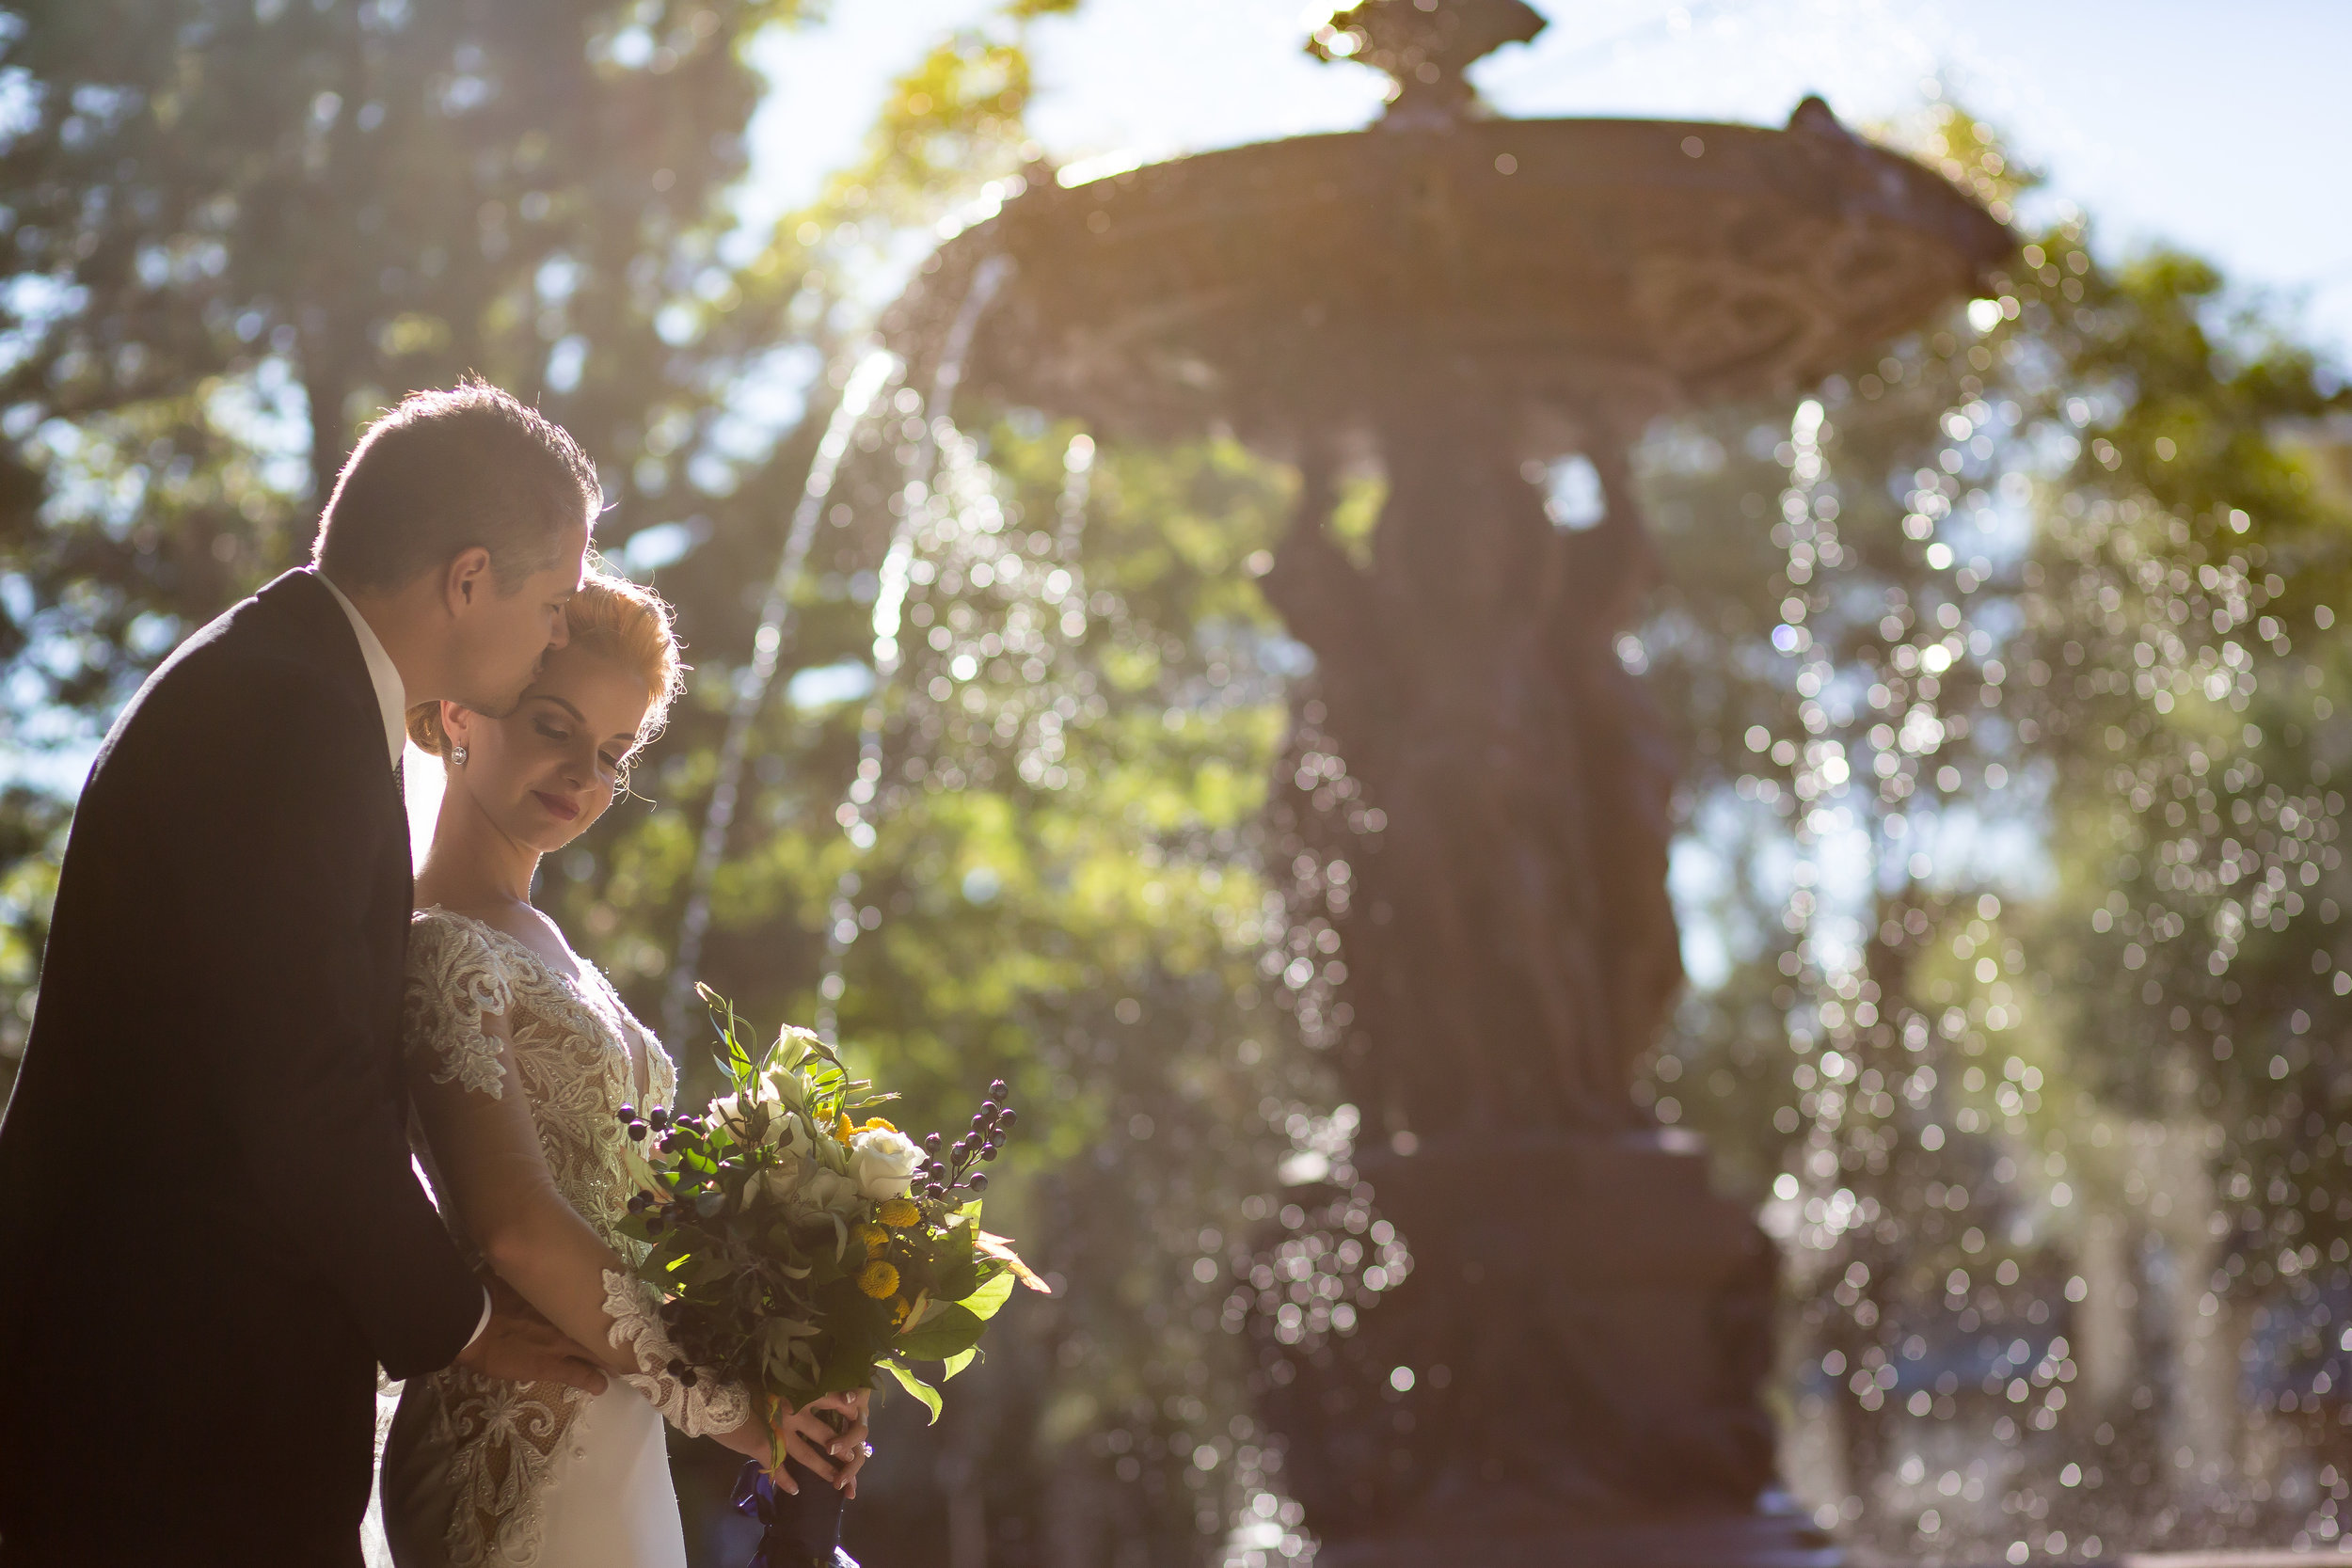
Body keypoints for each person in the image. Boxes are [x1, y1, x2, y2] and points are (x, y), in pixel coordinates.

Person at [0, 381, 615, 1564]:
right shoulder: (286, 714)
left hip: (165, 1406)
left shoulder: (285, 680)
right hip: (169, 1423)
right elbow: (302, 1092)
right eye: (551, 603)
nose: (555, 636)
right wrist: (464, 1318)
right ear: (469, 577)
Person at [380, 571, 870, 1568]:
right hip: (512, 1446)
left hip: (616, 1432)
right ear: (460, 711)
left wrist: (793, 1352)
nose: (584, 774)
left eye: (612, 751)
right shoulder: (442, 946)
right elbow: (515, 1228)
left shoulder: (552, 947)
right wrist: (732, 1406)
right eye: (556, 725)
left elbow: (632, 1218)